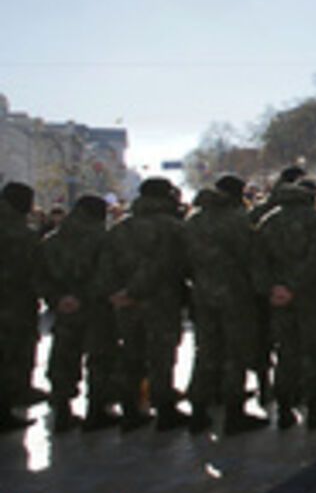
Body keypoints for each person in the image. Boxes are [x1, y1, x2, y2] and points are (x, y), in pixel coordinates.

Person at [95, 177, 190, 431]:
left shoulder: (120, 228)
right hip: (161, 302)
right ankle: (165, 410)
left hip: (126, 306)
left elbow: (105, 267)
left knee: (131, 356)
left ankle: (130, 410)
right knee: (162, 357)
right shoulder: (173, 227)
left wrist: (117, 293)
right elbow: (170, 264)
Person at [185, 175, 266, 435]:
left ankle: (198, 411)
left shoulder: (194, 220)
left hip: (202, 293)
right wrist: (262, 291)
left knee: (205, 351)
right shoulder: (238, 220)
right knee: (235, 353)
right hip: (235, 294)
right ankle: (234, 413)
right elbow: (251, 259)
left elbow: (183, 259)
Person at [253, 179, 316, 429]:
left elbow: (257, 262)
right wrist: (295, 286)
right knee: (315, 353)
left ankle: (284, 408)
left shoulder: (268, 222)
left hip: (279, 300)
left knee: (286, 353)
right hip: (312, 297)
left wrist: (273, 288)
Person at [37, 194, 114, 432]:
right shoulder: (104, 240)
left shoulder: (51, 241)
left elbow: (39, 277)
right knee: (99, 359)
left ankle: (62, 410)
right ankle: (96, 411)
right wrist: (83, 297)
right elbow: (107, 276)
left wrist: (58, 299)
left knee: (63, 358)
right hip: (96, 309)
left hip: (65, 310)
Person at [0, 182, 40, 431]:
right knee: (11, 357)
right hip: (13, 303)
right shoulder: (19, 233)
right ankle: (5, 411)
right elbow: (33, 272)